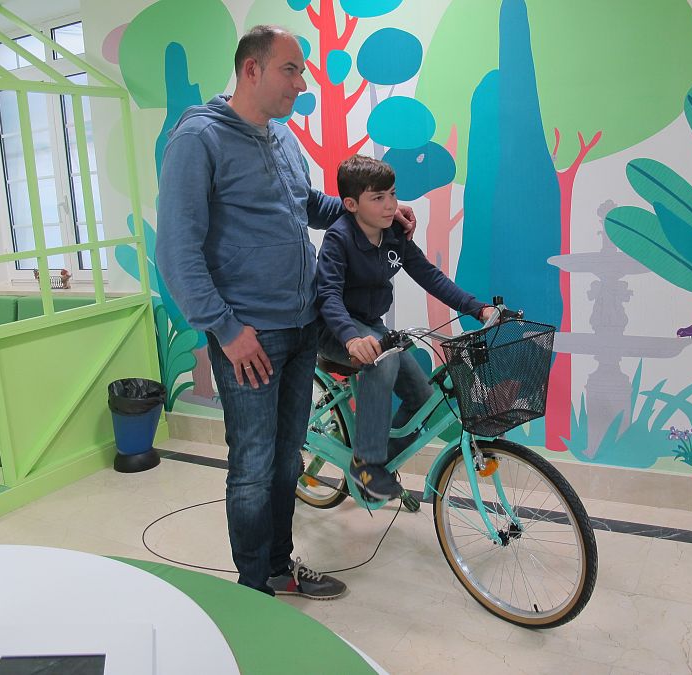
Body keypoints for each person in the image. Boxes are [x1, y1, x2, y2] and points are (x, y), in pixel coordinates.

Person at [155, 27, 415, 599]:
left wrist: (381, 213)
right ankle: (254, 589)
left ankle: (278, 568)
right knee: (252, 464)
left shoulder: (280, 137)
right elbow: (176, 250)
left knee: (285, 462)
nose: (301, 83)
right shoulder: (198, 140)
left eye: (302, 71)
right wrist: (225, 330)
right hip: (249, 335)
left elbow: (313, 205)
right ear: (252, 70)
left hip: (301, 326)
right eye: (291, 70)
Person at [317, 155, 496, 500]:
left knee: (423, 399)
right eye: (378, 198)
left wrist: (478, 308)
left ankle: (381, 460)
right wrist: (351, 339)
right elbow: (327, 296)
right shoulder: (339, 239)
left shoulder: (394, 235)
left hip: (370, 324)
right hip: (333, 328)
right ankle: (366, 464)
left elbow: (429, 275)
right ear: (352, 204)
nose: (390, 206)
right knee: (382, 361)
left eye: (392, 195)